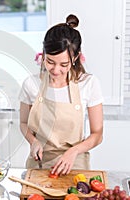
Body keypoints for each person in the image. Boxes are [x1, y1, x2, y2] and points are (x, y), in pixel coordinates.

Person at [19, 14, 103, 175]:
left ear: (76, 58)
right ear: (43, 54)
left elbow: (97, 134)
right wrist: (33, 141)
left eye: (64, 64)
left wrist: (73, 152)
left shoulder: (89, 84)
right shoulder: (31, 84)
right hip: (39, 163)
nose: (56, 70)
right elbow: (23, 123)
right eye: (50, 62)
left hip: (75, 162)